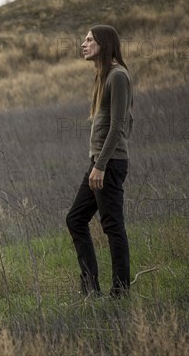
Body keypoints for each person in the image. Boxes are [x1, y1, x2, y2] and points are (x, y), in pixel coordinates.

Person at [66, 25, 133, 298]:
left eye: (89, 39)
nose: (83, 44)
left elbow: (120, 124)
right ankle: (90, 288)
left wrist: (102, 165)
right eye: (84, 39)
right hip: (100, 162)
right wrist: (98, 162)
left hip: (108, 164)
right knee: (76, 219)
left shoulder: (118, 75)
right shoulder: (102, 76)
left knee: (112, 226)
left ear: (104, 44)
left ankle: (120, 292)